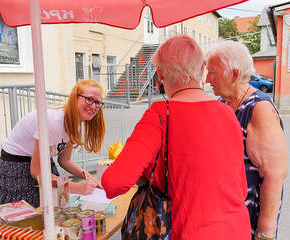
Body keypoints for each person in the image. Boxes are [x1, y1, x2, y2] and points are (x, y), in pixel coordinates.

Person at [102, 35, 251, 239]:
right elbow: (240, 187)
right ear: (201, 71)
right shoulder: (228, 113)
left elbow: (113, 183)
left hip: (188, 232)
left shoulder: (159, 115)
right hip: (236, 229)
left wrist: (147, 175)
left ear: (160, 75)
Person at [205, 40, 288, 240]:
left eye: (213, 72)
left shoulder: (258, 109)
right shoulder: (222, 105)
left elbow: (274, 176)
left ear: (234, 74)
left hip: (248, 222)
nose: (207, 79)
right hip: (225, 218)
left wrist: (264, 234)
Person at [0, 79, 105, 208]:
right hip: (17, 169)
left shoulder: (72, 121)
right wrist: (77, 187)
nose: (93, 106)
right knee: (30, 219)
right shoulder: (53, 121)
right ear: (75, 98)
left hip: (41, 165)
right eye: (89, 99)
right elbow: (36, 171)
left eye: (97, 102)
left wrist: (88, 178)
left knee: (51, 212)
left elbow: (65, 160)